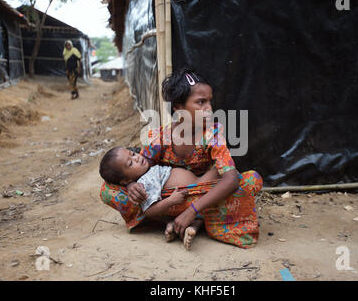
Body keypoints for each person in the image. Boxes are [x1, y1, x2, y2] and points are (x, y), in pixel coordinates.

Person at [99, 68, 263, 249]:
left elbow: (231, 179)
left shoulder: (213, 133)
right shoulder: (159, 137)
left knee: (251, 180)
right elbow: (138, 167)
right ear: (178, 107)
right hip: (170, 200)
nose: (208, 108)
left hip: (203, 195)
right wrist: (130, 185)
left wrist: (192, 210)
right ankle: (194, 220)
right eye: (200, 102)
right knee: (108, 189)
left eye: (209, 101)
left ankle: (186, 219)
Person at [99, 146, 220, 250]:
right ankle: (187, 226)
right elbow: (149, 211)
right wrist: (170, 200)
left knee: (201, 215)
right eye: (130, 163)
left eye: (133, 154)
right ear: (126, 180)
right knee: (221, 168)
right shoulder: (145, 182)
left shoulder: (148, 171)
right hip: (198, 186)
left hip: (197, 186)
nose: (136, 158)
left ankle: (187, 227)